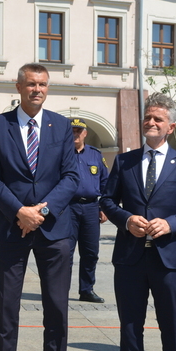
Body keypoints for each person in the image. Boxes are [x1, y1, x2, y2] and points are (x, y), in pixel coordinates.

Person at [0, 63, 79, 351]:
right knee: (6, 309)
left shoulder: (61, 126)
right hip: (11, 228)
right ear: (19, 87)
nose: (38, 89)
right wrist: (19, 212)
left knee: (56, 310)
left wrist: (41, 211)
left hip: (55, 231)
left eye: (43, 84)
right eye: (32, 84)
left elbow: (71, 176)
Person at [100, 93, 176, 351]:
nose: (151, 123)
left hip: (168, 258)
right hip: (129, 257)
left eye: (158, 119)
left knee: (171, 325)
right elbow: (106, 200)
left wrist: (171, 223)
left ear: (171, 127)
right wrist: (126, 219)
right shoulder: (125, 161)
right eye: (148, 117)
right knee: (130, 324)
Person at [69, 118, 108, 303]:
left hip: (92, 208)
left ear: (85, 133)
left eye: (79, 131)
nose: (75, 134)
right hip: (68, 208)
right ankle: (60, 290)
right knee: (65, 252)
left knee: (91, 252)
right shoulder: (61, 154)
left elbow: (106, 182)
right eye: (72, 130)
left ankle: (86, 290)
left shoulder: (95, 155)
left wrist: (104, 207)